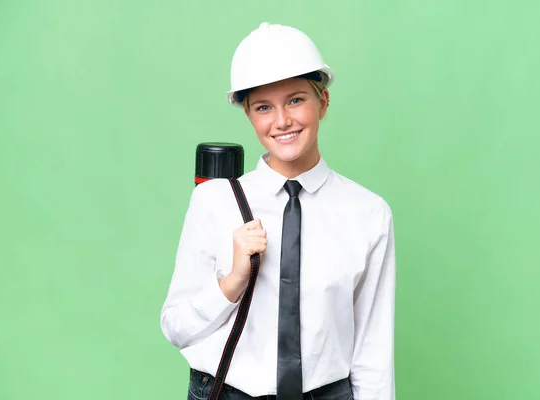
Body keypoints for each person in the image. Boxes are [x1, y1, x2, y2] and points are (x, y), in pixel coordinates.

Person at [160, 22, 397, 400]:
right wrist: (232, 282)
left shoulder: (368, 213)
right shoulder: (215, 201)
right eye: (264, 107)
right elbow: (176, 328)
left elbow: (373, 348)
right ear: (249, 116)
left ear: (323, 101)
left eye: (296, 100)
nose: (282, 121)